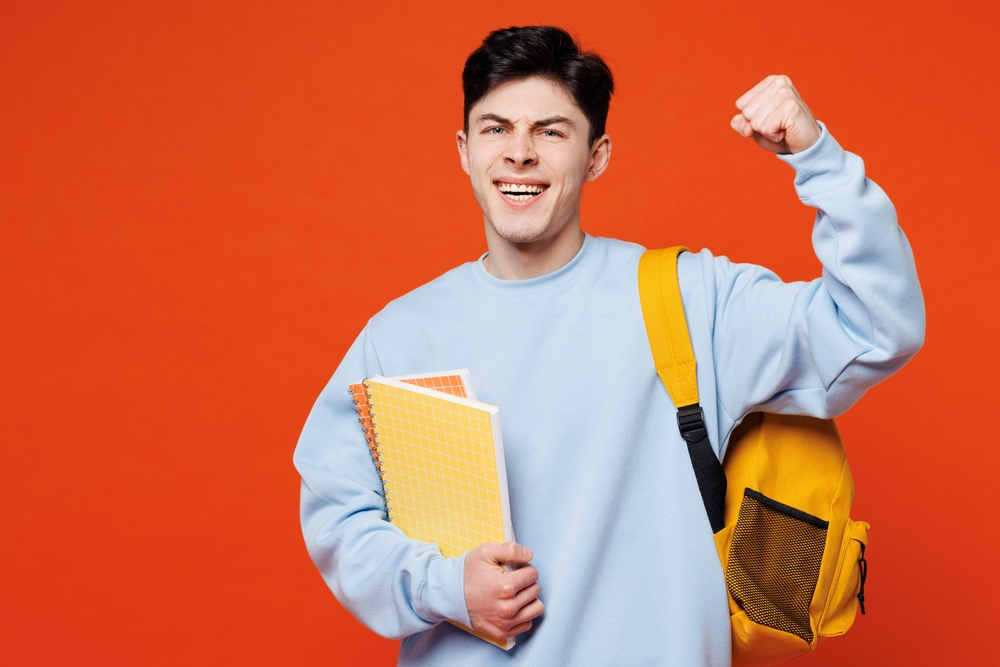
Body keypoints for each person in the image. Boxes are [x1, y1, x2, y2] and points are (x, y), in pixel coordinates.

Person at [294, 25, 924, 666]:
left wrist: (818, 158)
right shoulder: (402, 334)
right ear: (464, 149)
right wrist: (444, 586)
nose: (519, 153)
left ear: (596, 155)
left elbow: (876, 326)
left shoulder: (687, 300)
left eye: (551, 131)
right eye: (495, 128)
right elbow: (337, 514)